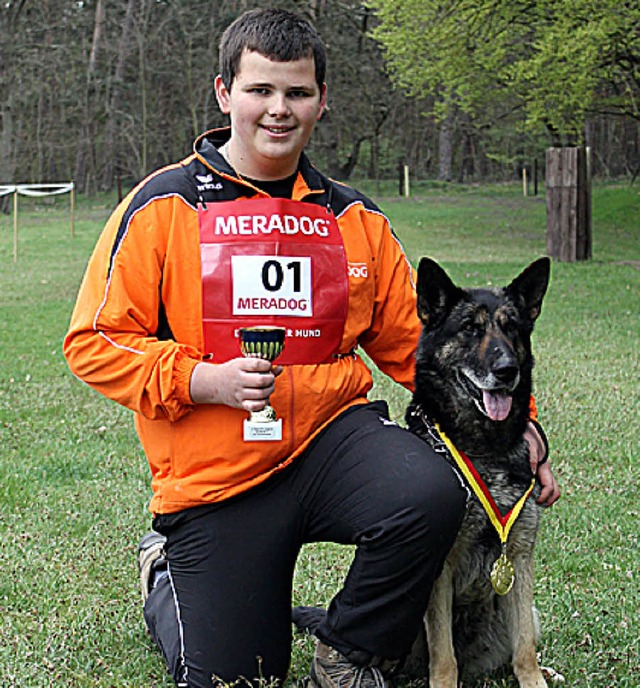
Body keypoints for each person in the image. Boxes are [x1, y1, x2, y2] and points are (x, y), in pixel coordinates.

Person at [63, 8, 559, 688]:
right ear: (223, 93)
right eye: (260, 90)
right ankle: (165, 572)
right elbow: (93, 343)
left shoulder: (352, 217)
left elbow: (423, 348)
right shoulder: (163, 204)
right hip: (219, 474)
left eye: (296, 93)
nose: (278, 109)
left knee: (432, 493)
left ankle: (349, 650)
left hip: (333, 443)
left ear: (322, 101)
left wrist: (519, 422)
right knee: (241, 677)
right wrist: (202, 381)